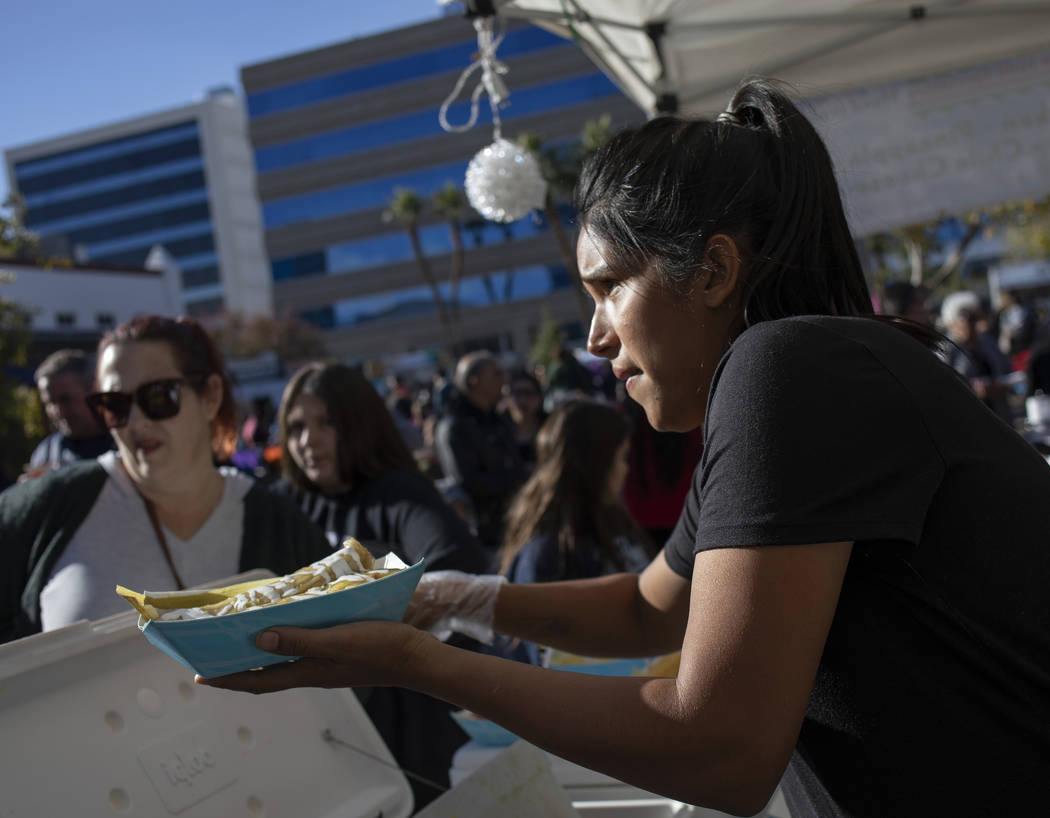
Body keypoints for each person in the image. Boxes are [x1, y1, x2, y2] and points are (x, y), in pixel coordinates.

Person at [200, 79, 1050, 817]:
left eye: (608, 287)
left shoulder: (786, 367)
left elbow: (720, 749)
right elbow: (654, 607)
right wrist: (457, 600)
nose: (597, 337)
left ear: (713, 272)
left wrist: (419, 665)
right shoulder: (800, 372)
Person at [0, 315, 330, 643]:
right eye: (116, 404)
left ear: (211, 396)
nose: (136, 422)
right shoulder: (49, 507)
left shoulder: (280, 524)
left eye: (158, 396)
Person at [276, 360, 489, 807]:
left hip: (413, 736)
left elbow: (460, 575)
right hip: (323, 734)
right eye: (295, 427)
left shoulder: (398, 494)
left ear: (359, 423)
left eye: (325, 423)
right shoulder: (284, 507)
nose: (307, 441)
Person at [494, 399, 650, 665]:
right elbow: (546, 659)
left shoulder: (613, 520)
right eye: (622, 457)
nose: (626, 469)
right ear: (597, 463)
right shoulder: (547, 554)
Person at [434, 350, 527, 552]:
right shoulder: (454, 427)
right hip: (487, 535)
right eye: (496, 374)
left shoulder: (495, 417)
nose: (504, 379)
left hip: (517, 520)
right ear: (474, 382)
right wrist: (519, 479)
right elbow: (467, 482)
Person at [25, 349, 115, 476]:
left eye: (65, 399)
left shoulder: (124, 444)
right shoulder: (46, 453)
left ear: (94, 392)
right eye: (50, 402)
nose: (58, 411)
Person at [941, 290, 1015, 422]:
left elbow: (1008, 371)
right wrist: (974, 391)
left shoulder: (989, 343)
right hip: (968, 421)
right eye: (970, 319)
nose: (978, 325)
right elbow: (943, 389)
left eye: (978, 318)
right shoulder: (946, 350)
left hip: (1000, 417)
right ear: (952, 323)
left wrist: (1005, 384)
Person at [501, 369, 548, 469]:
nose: (523, 400)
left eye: (529, 393)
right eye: (518, 393)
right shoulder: (497, 430)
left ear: (539, 398)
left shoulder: (549, 428)